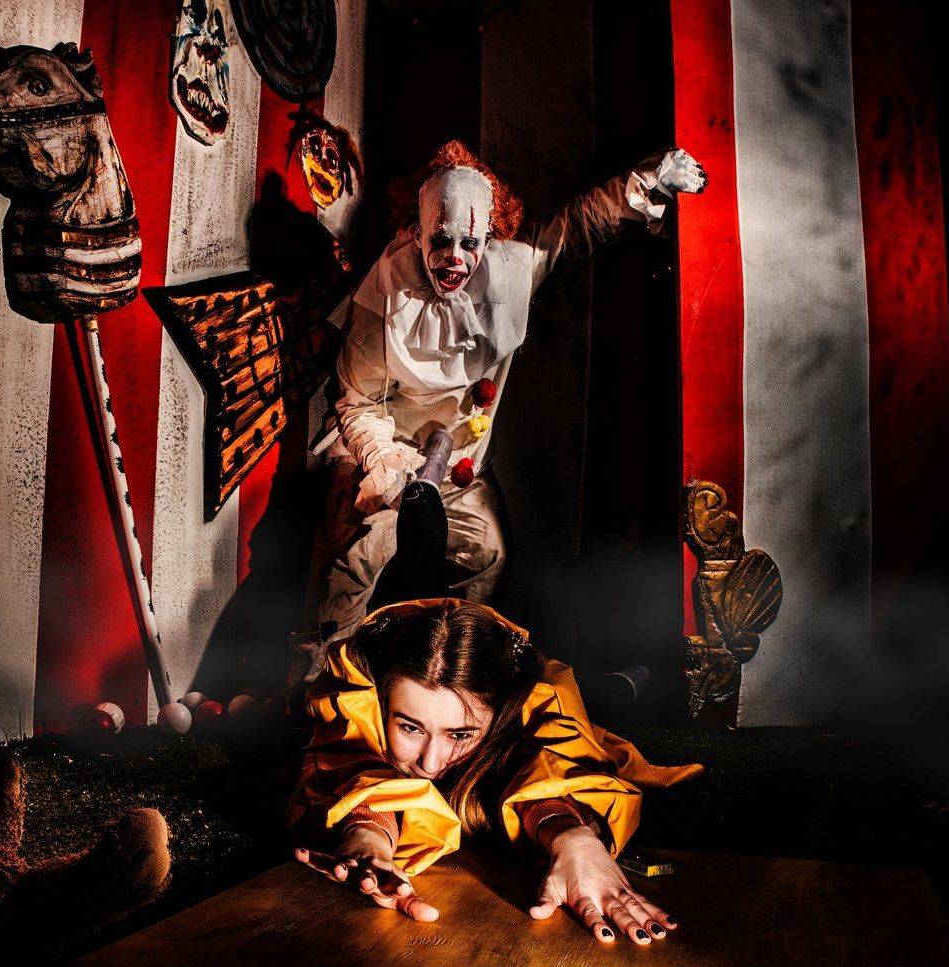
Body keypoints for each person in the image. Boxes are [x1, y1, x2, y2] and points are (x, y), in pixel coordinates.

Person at [298, 141, 706, 682]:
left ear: (488, 237)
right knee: (351, 556)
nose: (455, 258)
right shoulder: (385, 294)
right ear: (417, 233)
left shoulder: (509, 271)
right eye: (441, 240)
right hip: (380, 454)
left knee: (489, 555)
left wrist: (645, 183)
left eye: (469, 243)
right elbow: (358, 402)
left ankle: (447, 678)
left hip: (458, 468)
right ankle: (324, 686)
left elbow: (573, 230)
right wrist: (386, 468)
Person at [288, 598, 703, 943]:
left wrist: (573, 837)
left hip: (581, 702)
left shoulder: (526, 718)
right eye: (410, 727)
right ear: (381, 707)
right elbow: (355, 764)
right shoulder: (355, 709)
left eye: (460, 734)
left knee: (604, 696)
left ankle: (627, 680)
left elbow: (543, 767)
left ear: (499, 718)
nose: (431, 762)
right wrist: (367, 835)